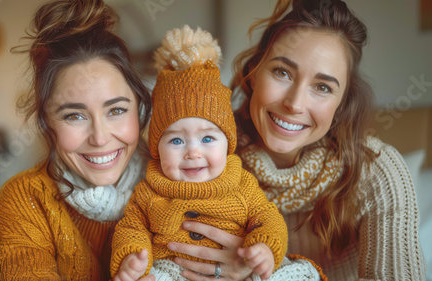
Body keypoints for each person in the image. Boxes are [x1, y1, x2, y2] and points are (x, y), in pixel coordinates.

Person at [163, 0, 426, 280]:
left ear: (342, 102)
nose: (295, 104)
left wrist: (259, 274)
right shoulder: (199, 158)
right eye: (282, 72)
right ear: (254, 73)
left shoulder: (377, 171)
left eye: (322, 87)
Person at [110, 25, 327, 281]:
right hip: (172, 269)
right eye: (176, 140)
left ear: (228, 144)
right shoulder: (148, 192)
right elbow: (131, 228)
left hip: (242, 270)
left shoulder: (241, 184)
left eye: (208, 138)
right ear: (157, 148)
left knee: (303, 274)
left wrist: (264, 248)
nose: (193, 152)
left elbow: (267, 218)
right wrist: (131, 258)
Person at [0, 0, 153, 280]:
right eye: (75, 116)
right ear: (46, 121)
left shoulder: (178, 181)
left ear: (138, 108)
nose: (100, 138)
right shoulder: (25, 198)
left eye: (116, 110)